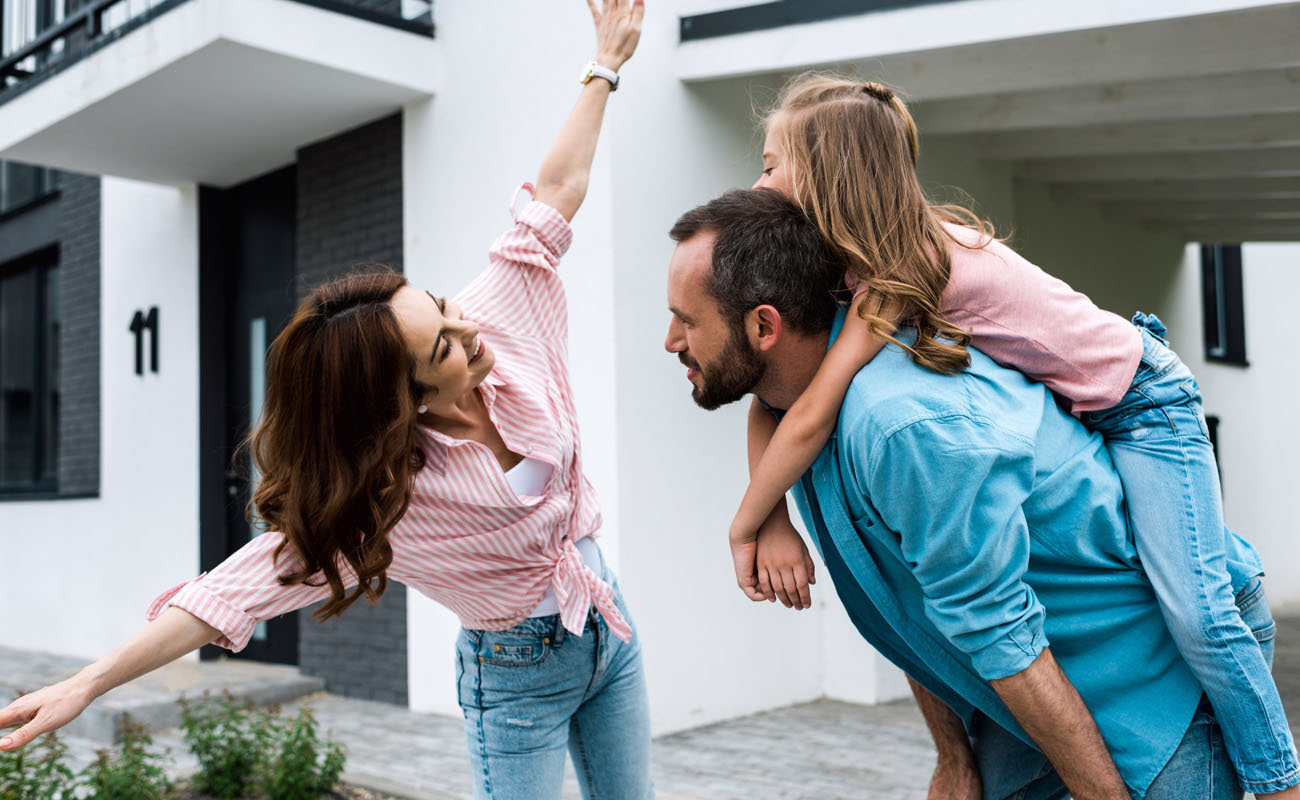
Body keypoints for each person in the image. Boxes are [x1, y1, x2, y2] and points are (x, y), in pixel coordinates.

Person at [0, 3, 652, 798]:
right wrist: (86, 685)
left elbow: (554, 194)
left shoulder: (496, 313)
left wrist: (606, 63)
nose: (466, 329)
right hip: (515, 677)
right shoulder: (382, 499)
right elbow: (223, 596)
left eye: (444, 306)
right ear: (398, 405)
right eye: (443, 345)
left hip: (608, 625)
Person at [725, 74, 1298, 796]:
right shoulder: (855, 273)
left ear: (826, 171)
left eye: (772, 163)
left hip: (1146, 399)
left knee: (1198, 607)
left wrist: (745, 524)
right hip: (1101, 407)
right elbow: (776, 397)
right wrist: (775, 514)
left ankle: (1280, 781)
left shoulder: (904, 269)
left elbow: (811, 410)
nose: (759, 179)